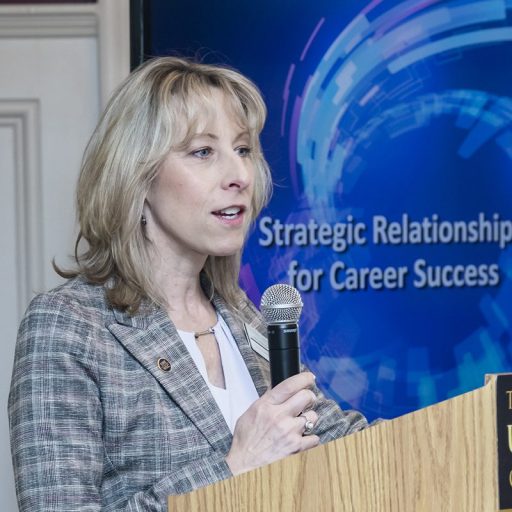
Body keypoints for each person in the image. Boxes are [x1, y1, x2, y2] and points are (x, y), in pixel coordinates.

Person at [8, 56, 369, 511]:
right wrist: (234, 468)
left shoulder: (249, 322)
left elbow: (356, 451)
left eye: (242, 150)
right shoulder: (70, 327)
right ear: (136, 175)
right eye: (203, 152)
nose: (239, 175)